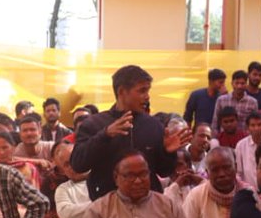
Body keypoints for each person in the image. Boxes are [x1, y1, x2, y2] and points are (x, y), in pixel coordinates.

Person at [72, 64, 189, 200]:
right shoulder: (94, 124)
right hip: (108, 208)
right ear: (121, 92)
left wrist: (167, 153)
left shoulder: (153, 125)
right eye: (142, 91)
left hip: (148, 207)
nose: (147, 97)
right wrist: (105, 135)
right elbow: (78, 164)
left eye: (148, 91)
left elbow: (164, 171)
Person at [235, 111, 261, 187]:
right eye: (253, 125)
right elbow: (238, 172)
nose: (256, 128)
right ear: (248, 128)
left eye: (259, 125)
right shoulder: (241, 145)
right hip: (247, 190)